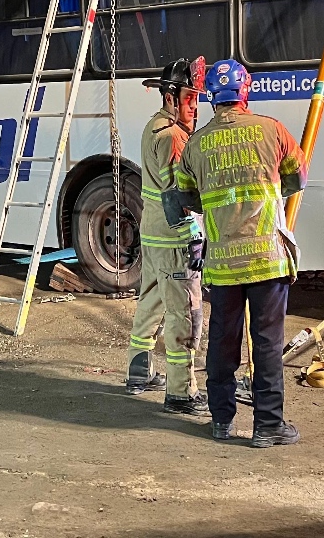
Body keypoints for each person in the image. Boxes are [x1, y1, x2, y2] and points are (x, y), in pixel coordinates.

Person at [165, 59, 308, 448]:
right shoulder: (272, 130)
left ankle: (220, 420)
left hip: (223, 264)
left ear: (212, 96)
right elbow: (298, 176)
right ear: (245, 92)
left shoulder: (195, 144)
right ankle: (267, 426)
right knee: (267, 342)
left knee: (223, 342)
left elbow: (185, 194)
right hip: (267, 260)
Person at [125, 58, 210, 417]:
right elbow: (178, 194)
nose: (195, 106)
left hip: (153, 235)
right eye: (190, 98)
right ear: (171, 96)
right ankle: (180, 393)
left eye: (197, 99)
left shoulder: (153, 128)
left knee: (151, 301)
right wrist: (194, 234)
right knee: (184, 316)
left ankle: (139, 371)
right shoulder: (174, 137)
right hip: (175, 240)